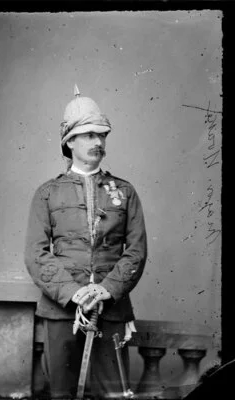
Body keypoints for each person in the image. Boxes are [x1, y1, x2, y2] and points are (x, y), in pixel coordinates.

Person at [24, 86, 147, 399]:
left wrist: (105, 290)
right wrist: (75, 293)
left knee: (113, 395)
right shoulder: (47, 193)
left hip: (112, 310)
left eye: (102, 135)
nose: (98, 142)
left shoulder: (126, 192)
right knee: (62, 394)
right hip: (61, 312)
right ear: (70, 141)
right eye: (89, 135)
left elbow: (136, 251)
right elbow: (36, 255)